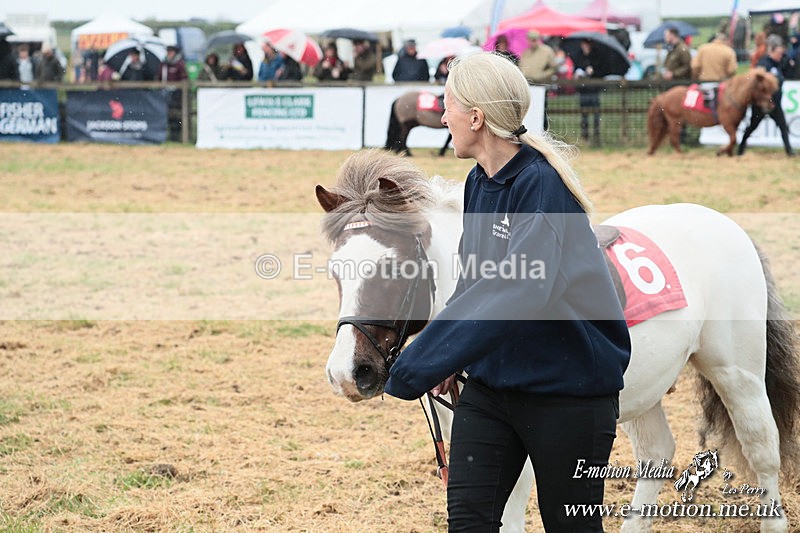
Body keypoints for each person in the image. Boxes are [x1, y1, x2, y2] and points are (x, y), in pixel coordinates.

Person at [384, 51, 630, 532]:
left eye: (448, 105)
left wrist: (421, 362)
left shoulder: (541, 185)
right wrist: (453, 357)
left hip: (569, 393)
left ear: (475, 117)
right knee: (468, 523)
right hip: (492, 389)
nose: (443, 115)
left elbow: (521, 288)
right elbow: (474, 282)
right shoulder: (479, 181)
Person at [738, 35, 794, 157]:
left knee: (783, 127)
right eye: (778, 53)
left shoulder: (780, 63)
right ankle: (741, 148)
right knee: (752, 127)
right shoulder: (764, 64)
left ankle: (789, 151)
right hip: (762, 104)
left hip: (775, 104)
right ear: (772, 51)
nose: (780, 56)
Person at [573, 39, 606, 145]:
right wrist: (577, 74)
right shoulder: (579, 56)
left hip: (594, 89)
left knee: (596, 113)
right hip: (583, 89)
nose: (585, 46)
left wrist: (593, 71)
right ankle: (585, 136)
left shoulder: (597, 56)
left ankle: (596, 135)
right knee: (584, 114)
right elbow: (576, 68)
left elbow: (602, 71)